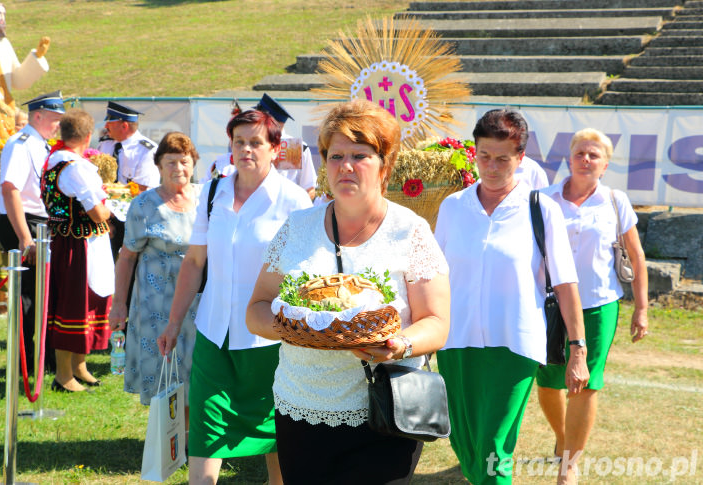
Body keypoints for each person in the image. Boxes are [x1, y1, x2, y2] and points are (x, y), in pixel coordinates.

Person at [246, 99, 451, 484]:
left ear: (385, 164)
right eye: (336, 155)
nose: (346, 166)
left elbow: (437, 322)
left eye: (360, 154)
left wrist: (398, 345)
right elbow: (256, 309)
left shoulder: (411, 231)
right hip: (301, 408)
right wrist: (300, 329)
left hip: (384, 411)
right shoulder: (297, 227)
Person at [434, 108, 589, 485]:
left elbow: (566, 283)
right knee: (466, 447)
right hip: (455, 342)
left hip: (515, 345)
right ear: (474, 152)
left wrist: (578, 350)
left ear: (521, 159)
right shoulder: (453, 207)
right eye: (484, 155)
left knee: (493, 447)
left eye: (503, 158)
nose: (492, 166)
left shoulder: (542, 209)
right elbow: (433, 278)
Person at [157, 109, 311, 484]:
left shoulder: (294, 201)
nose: (246, 149)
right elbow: (194, 262)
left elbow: (306, 277)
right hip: (214, 335)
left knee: (277, 439)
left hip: (270, 342)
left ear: (276, 148)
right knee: (207, 435)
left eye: (256, 142)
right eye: (239, 142)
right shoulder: (213, 191)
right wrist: (174, 322)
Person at [536, 128, 649, 484]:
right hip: (550, 305)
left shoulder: (616, 201)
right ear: (569, 158)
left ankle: (569, 467)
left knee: (586, 384)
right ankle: (562, 437)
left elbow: (636, 256)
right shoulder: (542, 199)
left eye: (594, 155)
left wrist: (641, 308)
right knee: (549, 381)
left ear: (605, 164)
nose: (586, 160)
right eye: (580, 153)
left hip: (599, 306)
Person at [108, 132, 201, 422]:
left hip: (197, 301)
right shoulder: (143, 205)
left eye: (184, 161)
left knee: (195, 365)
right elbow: (127, 257)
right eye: (170, 162)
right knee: (163, 366)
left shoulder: (205, 199)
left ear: (194, 164)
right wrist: (118, 304)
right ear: (158, 166)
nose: (178, 168)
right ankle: (170, 434)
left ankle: (189, 432)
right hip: (155, 303)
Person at [42, 108, 114, 393]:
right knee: (74, 306)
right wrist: (112, 210)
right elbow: (97, 213)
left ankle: (78, 366)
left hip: (73, 242)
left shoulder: (54, 162)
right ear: (87, 136)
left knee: (88, 301)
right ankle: (63, 374)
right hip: (78, 245)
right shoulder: (76, 167)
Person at [0, 91, 64, 372]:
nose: (58, 124)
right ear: (38, 115)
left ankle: (40, 362)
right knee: (27, 299)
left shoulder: (40, 143)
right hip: (24, 224)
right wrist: (26, 238)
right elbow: (10, 189)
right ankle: (25, 365)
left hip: (39, 223)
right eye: (54, 119)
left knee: (41, 298)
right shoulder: (21, 143)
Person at [0, 1, 50, 140]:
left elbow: (17, 79)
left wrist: (37, 57)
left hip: (6, 108)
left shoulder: (5, 43)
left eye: (4, 14)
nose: (2, 17)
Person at [97, 101, 159, 259]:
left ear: (124, 126)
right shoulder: (105, 145)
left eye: (110, 121)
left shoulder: (146, 150)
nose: (106, 125)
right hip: (104, 217)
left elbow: (140, 190)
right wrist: (105, 219)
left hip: (133, 219)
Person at [255, 93, 317, 199]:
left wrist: (293, 206)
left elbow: (310, 189)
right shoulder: (251, 145)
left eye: (258, 118)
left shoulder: (298, 147)